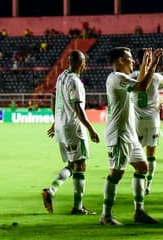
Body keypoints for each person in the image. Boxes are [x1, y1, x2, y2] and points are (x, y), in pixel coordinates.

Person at [99, 47, 162, 225]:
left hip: (129, 133)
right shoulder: (117, 78)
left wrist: (146, 65)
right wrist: (153, 65)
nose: (132, 60)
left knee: (142, 167)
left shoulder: (121, 79)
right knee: (116, 173)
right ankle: (106, 215)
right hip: (118, 134)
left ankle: (139, 211)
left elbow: (140, 81)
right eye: (129, 58)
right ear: (120, 60)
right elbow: (142, 86)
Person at [41, 50, 100, 215]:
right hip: (73, 127)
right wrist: (91, 129)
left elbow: (54, 98)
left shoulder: (61, 76)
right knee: (80, 165)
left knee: (72, 165)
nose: (85, 66)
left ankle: (51, 191)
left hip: (61, 126)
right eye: (84, 63)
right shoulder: (74, 81)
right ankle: (78, 207)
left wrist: (55, 120)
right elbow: (78, 108)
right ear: (80, 63)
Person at [132, 48, 163, 195]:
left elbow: (139, 83)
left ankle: (140, 182)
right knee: (151, 153)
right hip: (153, 121)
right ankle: (148, 184)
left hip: (138, 121)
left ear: (137, 60)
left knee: (138, 153)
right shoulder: (157, 77)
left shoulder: (133, 75)